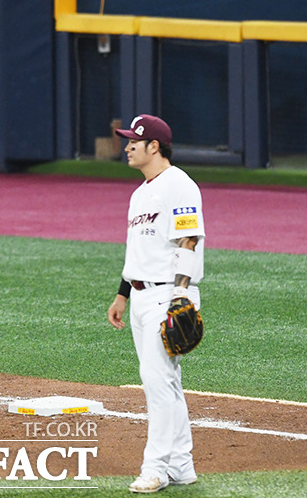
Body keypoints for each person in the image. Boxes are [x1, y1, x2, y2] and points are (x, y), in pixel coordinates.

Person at [107, 115, 204, 493]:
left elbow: (188, 241)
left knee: (157, 382)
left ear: (155, 146)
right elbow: (138, 250)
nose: (127, 148)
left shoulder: (179, 185)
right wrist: (123, 293)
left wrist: (180, 295)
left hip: (168, 294)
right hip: (141, 297)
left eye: (134, 142)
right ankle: (181, 465)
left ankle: (156, 468)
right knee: (166, 382)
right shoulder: (140, 193)